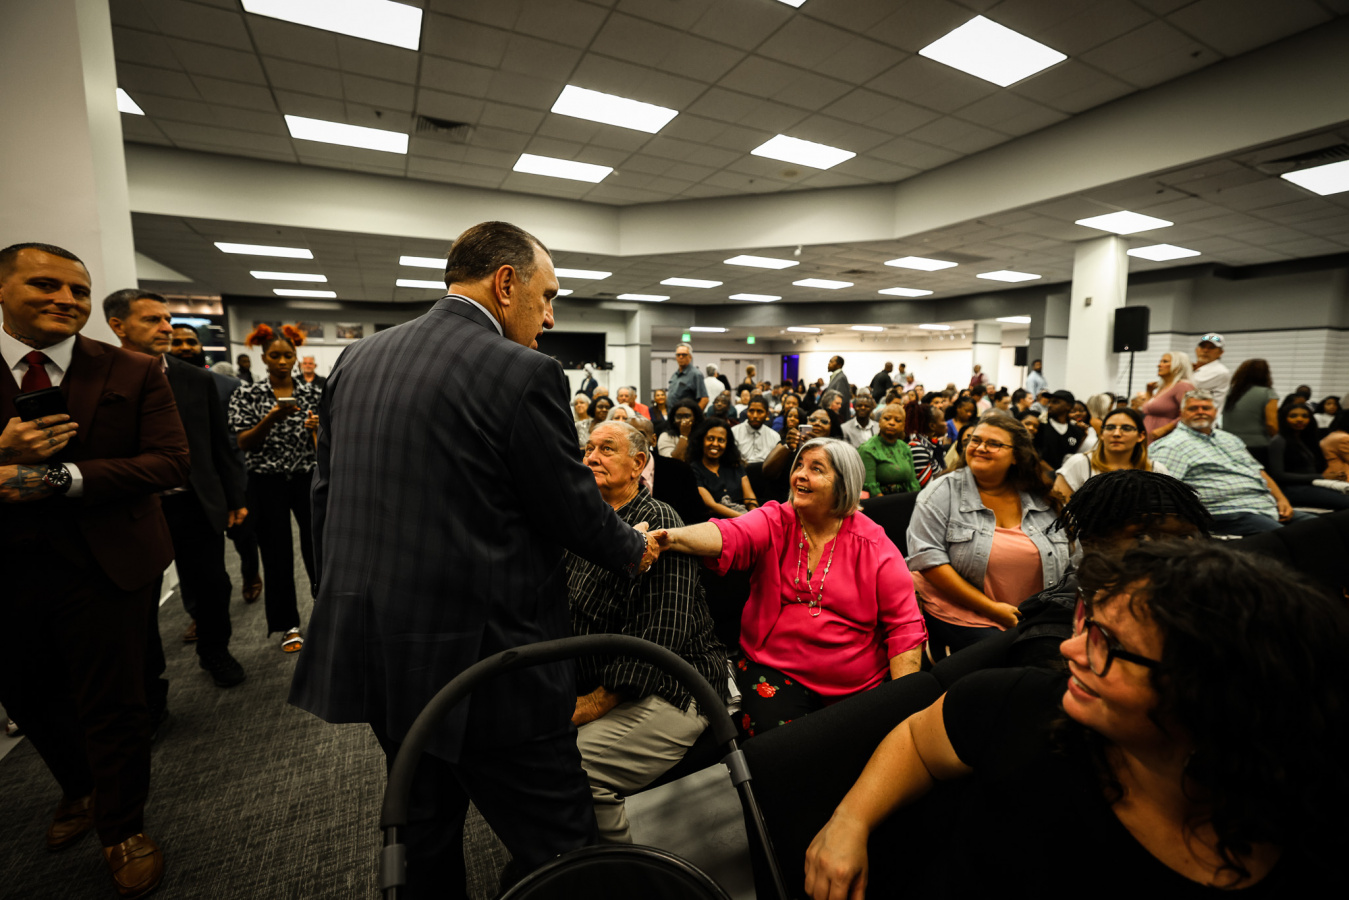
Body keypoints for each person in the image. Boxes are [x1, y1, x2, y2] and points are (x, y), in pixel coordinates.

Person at [290, 221, 658, 898]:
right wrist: (635, 547)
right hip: (489, 668)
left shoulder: (358, 359)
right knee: (563, 848)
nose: (550, 317)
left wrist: (338, 599)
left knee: (423, 833)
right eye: (548, 296)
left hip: (380, 651)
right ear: (506, 283)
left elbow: (325, 498)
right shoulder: (522, 372)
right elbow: (570, 509)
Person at [805, 540, 1348, 898]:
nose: (1069, 648)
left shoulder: (1307, 834)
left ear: (1206, 694)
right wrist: (850, 821)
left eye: (1107, 643)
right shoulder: (1024, 702)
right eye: (1087, 622)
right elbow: (919, 741)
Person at [0, 242, 190, 899]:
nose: (65, 299)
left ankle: (122, 825)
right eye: (45, 285)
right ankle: (77, 787)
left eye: (78, 291)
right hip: (9, 569)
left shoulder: (131, 370)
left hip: (106, 564)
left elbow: (170, 462)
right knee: (28, 694)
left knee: (115, 701)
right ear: (3, 291)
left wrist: (59, 477)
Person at [654, 438, 926, 736]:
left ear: (843, 485)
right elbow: (729, 533)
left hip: (857, 681)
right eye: (799, 465)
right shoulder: (776, 520)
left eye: (816, 469)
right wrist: (669, 538)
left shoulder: (873, 543)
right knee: (778, 746)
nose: (800, 475)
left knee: (863, 745)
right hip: (775, 668)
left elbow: (905, 627)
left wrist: (901, 706)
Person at [567, 421, 727, 842]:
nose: (591, 457)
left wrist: (590, 704)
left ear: (638, 463)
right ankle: (565, 855)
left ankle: (622, 870)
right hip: (603, 679)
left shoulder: (657, 520)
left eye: (606, 449)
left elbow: (658, 638)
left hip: (676, 684)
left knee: (572, 766)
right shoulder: (588, 521)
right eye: (588, 449)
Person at [104, 291, 248, 689]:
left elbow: (219, 443)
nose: (166, 328)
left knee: (213, 584)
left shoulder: (195, 378)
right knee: (140, 597)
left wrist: (234, 498)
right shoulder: (103, 376)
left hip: (193, 501)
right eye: (152, 320)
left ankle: (215, 652)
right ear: (118, 325)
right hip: (133, 505)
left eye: (167, 319)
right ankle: (149, 683)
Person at [908, 413, 1070, 653]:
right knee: (1021, 656)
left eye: (994, 444)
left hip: (1031, 612)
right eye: (975, 440)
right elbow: (928, 561)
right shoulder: (941, 492)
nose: (981, 447)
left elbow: (1072, 556)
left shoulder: (1039, 496)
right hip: (963, 610)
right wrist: (993, 609)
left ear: (1016, 456)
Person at [227, 323, 320, 652]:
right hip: (266, 482)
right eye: (275, 356)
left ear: (296, 357)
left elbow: (326, 441)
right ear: (263, 358)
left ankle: (325, 613)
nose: (282, 362)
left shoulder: (312, 393)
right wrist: (270, 419)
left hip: (307, 478)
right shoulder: (247, 394)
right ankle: (287, 624)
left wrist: (316, 427)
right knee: (276, 552)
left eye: (288, 355)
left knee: (318, 548)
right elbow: (243, 442)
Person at [1149, 390, 1311, 536]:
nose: (1200, 412)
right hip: (1227, 512)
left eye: (1206, 408)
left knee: (1317, 527)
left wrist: (1281, 500)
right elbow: (1162, 492)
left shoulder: (1229, 438)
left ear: (1215, 412)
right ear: (1181, 413)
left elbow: (1258, 471)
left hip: (1266, 506)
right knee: (1291, 539)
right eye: (1193, 408)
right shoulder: (1172, 446)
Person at [1053, 407, 1170, 503]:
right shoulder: (1078, 463)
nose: (1116, 434)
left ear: (1141, 436)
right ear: (1102, 434)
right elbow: (1060, 510)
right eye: (1110, 428)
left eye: (1126, 428)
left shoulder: (1156, 470)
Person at [1266, 402, 1349, 510]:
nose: (1300, 419)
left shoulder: (1305, 439)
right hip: (1291, 489)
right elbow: (1279, 475)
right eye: (1293, 416)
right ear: (1284, 419)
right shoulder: (1279, 441)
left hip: (1313, 484)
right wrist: (1322, 477)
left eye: (1305, 416)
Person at [687, 416, 756, 518]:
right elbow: (711, 505)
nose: (715, 444)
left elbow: (750, 499)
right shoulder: (693, 469)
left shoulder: (735, 465)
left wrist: (755, 515)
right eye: (710, 439)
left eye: (721, 440)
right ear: (701, 440)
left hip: (745, 517)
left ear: (727, 443)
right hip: (714, 522)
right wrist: (745, 519)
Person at [859, 403, 919, 497]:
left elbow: (913, 481)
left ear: (903, 426)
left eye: (897, 420)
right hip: (880, 501)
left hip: (906, 498)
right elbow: (869, 486)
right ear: (879, 422)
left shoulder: (905, 447)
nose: (891, 423)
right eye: (887, 419)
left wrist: (917, 500)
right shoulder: (867, 449)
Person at [1140, 351, 1195, 443]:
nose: (1159, 365)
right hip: (1149, 439)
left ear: (1178, 366)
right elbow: (1148, 410)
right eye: (1160, 361)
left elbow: (1191, 412)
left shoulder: (1183, 386)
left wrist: (1165, 429)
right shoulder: (1164, 387)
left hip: (1165, 439)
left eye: (1165, 362)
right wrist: (1149, 392)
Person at [1222, 358, 1278, 448]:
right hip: (1256, 445)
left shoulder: (1228, 392)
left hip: (1228, 442)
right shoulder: (1268, 393)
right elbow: (1271, 424)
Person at [1033, 390, 1087, 469]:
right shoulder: (1041, 426)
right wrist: (1052, 473)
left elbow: (1074, 455)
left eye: (1055, 402)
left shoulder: (1075, 431)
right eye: (1049, 402)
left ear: (1068, 406)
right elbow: (1035, 454)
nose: (1050, 405)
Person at [731, 395, 781, 464]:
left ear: (767, 414)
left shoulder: (774, 436)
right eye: (751, 411)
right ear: (747, 412)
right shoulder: (734, 432)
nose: (755, 416)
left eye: (759, 412)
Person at [907, 405, 947, 489]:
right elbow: (928, 488)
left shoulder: (935, 445)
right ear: (932, 426)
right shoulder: (918, 448)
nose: (946, 423)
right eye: (943, 420)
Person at [1191, 331, 1231, 413]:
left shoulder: (1220, 371)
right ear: (1196, 350)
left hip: (1206, 416)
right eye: (1202, 347)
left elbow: (1187, 386)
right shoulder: (1197, 369)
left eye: (1211, 348)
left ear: (1221, 352)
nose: (1205, 350)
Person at [667, 342, 707, 410]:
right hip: (672, 414)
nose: (681, 357)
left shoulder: (696, 374)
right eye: (678, 355)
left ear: (690, 357)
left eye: (684, 355)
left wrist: (695, 414)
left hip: (685, 415)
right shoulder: (675, 375)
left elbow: (704, 400)